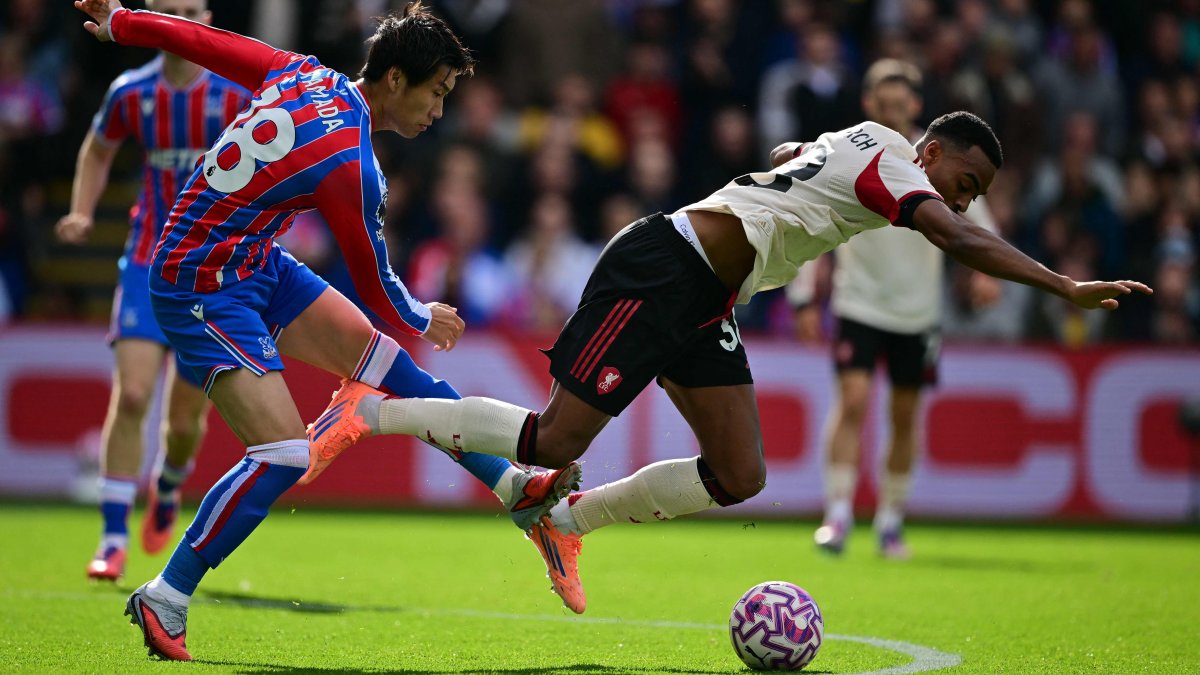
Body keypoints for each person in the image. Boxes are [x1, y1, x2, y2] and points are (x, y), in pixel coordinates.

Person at [306, 108, 1152, 614]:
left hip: (707, 295)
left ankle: (564, 524)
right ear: (931, 153)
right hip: (663, 265)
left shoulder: (865, 140)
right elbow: (949, 232)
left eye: (972, 193)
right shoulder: (898, 165)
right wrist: (1061, 283)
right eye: (963, 180)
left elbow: (792, 163)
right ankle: (367, 408)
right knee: (552, 441)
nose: (962, 201)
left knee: (741, 471)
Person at [73, 0, 579, 661]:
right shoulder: (352, 164)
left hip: (249, 257)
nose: (439, 110)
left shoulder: (305, 72)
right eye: (438, 91)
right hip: (199, 281)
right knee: (283, 453)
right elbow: (375, 284)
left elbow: (208, 42)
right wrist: (427, 313)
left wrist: (124, 23)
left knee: (387, 364)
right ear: (395, 79)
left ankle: (513, 488)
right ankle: (167, 593)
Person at [56, 0, 250, 583]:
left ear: (210, 18)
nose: (182, 20)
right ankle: (113, 536)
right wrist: (81, 211)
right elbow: (97, 150)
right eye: (170, 10)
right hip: (146, 260)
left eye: (191, 10)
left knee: (183, 422)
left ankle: (167, 483)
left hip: (208, 273)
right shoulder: (132, 93)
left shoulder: (237, 95)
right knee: (134, 394)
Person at [795, 59, 1000, 559]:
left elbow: (980, 231)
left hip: (917, 313)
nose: (891, 111)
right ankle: (839, 515)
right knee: (855, 399)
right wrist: (804, 296)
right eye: (882, 104)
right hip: (858, 302)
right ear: (869, 106)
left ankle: (889, 521)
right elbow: (811, 216)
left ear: (915, 106)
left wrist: (987, 274)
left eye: (899, 104)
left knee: (905, 415)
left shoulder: (937, 166)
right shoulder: (852, 152)